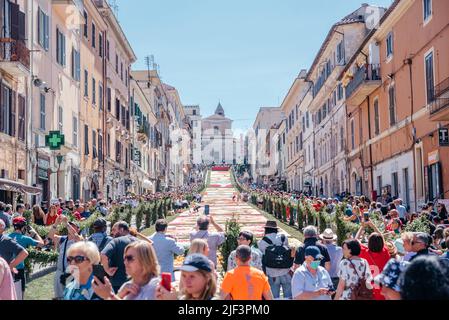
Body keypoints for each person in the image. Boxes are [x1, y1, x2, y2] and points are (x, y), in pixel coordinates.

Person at [93, 241, 160, 300]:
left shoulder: (156, 287)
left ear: (145, 260)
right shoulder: (127, 285)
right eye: (124, 258)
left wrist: (109, 295)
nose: (125, 262)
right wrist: (120, 295)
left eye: (129, 258)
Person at [47, 214, 83, 299]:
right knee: (59, 296)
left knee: (71, 296)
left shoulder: (78, 240)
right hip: (60, 272)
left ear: (77, 229)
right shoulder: (63, 239)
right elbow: (50, 235)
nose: (69, 228)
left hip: (72, 273)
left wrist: (66, 223)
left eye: (72, 226)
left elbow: (75, 235)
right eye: (69, 226)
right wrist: (56, 224)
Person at [8, 217, 44, 298]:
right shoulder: (25, 238)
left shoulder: (6, 237)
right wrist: (35, 233)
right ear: (23, 227)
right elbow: (42, 243)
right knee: (20, 295)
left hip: (7, 269)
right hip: (19, 270)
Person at [258, 221, 293, 299]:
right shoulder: (283, 237)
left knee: (274, 297)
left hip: (272, 273)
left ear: (266, 229)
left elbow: (262, 255)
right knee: (288, 297)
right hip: (286, 271)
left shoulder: (263, 241)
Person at [101, 221, 137, 293]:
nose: (112, 232)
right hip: (136, 282)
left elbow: (103, 255)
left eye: (114, 230)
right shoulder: (139, 242)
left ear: (122, 230)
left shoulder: (116, 241)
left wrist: (107, 270)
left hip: (117, 283)